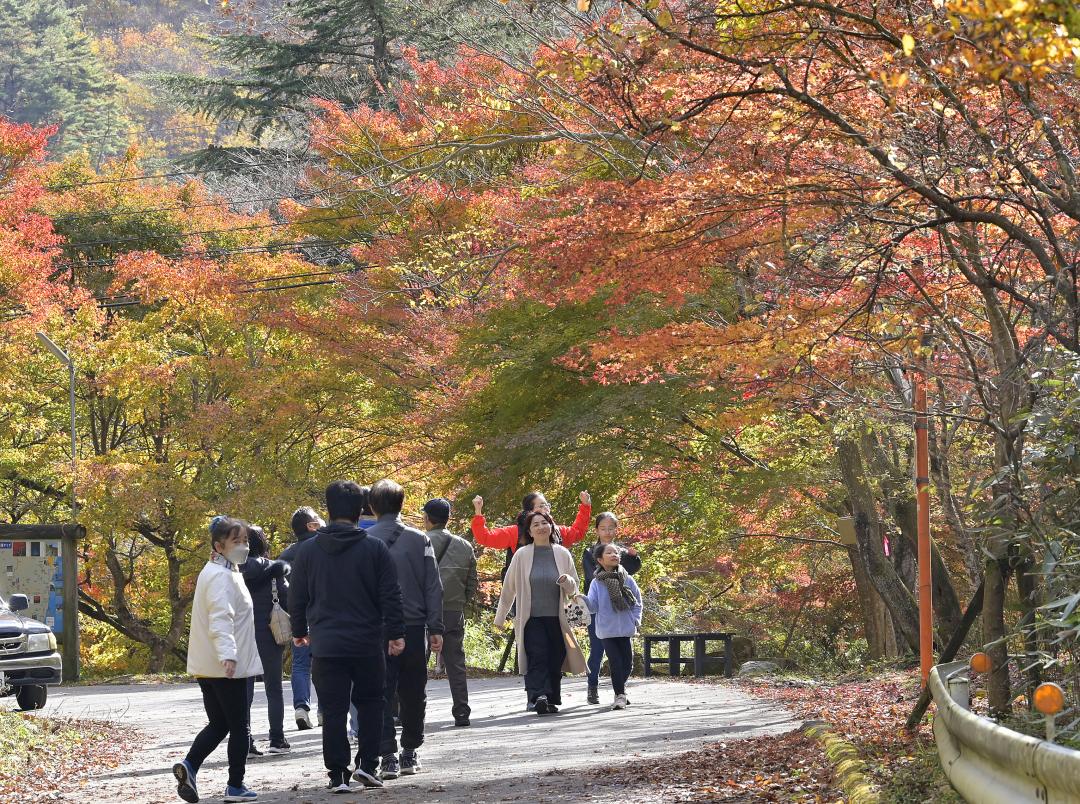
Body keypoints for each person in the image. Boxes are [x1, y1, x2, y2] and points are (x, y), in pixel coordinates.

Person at [288, 481, 405, 793]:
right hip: (368, 640)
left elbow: (297, 596)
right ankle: (368, 765)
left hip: (326, 643)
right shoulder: (374, 548)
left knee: (334, 708)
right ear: (359, 511)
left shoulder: (308, 551)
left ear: (328, 510)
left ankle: (338, 774)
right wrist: (396, 633)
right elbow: (390, 595)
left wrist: (299, 631)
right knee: (370, 703)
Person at [173, 517, 263, 803]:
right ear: (219, 545)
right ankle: (235, 786)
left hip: (210, 665)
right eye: (236, 541)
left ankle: (189, 765)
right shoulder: (222, 576)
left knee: (219, 724)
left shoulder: (219, 570)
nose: (243, 546)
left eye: (246, 541)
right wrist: (228, 654)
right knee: (240, 727)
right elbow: (220, 619)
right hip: (228, 666)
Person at [365, 479, 444, 780]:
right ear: (402, 505)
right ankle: (410, 750)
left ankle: (387, 756)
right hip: (413, 626)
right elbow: (432, 586)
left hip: (377, 628)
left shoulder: (365, 540)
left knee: (381, 692)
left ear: (372, 507)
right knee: (413, 691)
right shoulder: (420, 540)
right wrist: (435, 626)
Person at [494, 510, 586, 714]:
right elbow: (509, 587)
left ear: (551, 527)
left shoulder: (562, 553)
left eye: (545, 523)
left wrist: (566, 581)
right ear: (529, 531)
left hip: (557, 617)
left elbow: (574, 588)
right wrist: (500, 617)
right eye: (536, 524)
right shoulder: (522, 554)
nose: (541, 527)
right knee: (537, 655)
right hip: (531, 618)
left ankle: (551, 698)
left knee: (555, 656)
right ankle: (539, 696)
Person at [422, 498, 478, 727]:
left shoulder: (420, 542)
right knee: (456, 662)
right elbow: (472, 582)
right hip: (453, 610)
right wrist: (461, 600)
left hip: (423, 610)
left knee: (416, 663)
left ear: (427, 518)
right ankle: (461, 711)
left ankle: (412, 710)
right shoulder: (464, 546)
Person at [240, 524, 291, 756]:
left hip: (243, 635)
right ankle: (277, 738)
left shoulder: (234, 569)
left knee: (245, 691)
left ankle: (246, 739)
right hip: (270, 634)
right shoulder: (275, 569)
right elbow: (287, 598)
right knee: (274, 688)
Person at [581, 512, 642, 705]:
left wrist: (633, 557)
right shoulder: (591, 552)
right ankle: (592, 686)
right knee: (597, 651)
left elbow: (629, 571)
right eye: (603, 528)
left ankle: (620, 690)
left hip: (622, 612)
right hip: (600, 609)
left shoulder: (620, 551)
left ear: (616, 529)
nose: (607, 532)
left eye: (611, 528)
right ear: (597, 530)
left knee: (625, 659)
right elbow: (594, 575)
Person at [279, 506, 325, 731]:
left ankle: (301, 708)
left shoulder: (287, 554)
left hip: (297, 615)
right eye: (318, 519)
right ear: (311, 525)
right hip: (323, 614)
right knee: (323, 662)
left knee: (300, 664)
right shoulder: (325, 548)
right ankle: (324, 710)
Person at [471, 490, 592, 553]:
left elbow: (578, 533)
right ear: (530, 511)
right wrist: (478, 511)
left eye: (547, 505)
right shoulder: (515, 532)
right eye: (541, 506)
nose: (546, 509)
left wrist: (585, 506)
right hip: (523, 589)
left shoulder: (557, 531)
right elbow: (484, 537)